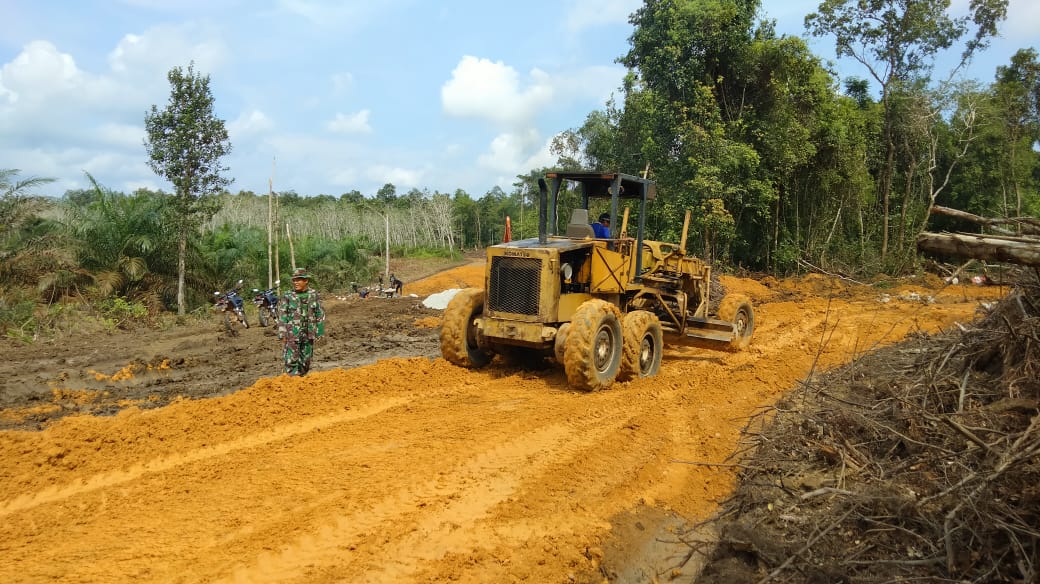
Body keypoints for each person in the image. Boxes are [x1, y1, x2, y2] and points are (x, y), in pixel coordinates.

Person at [279, 267, 326, 376]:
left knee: (306, 361)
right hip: (292, 334)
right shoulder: (288, 296)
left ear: (306, 281)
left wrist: (320, 331)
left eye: (299, 280)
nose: (296, 282)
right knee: (291, 360)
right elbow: (282, 316)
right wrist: (282, 333)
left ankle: (301, 380)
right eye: (294, 280)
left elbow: (319, 313)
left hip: (308, 333)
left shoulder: (313, 295)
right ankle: (292, 380)